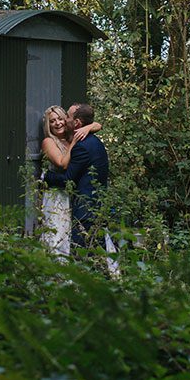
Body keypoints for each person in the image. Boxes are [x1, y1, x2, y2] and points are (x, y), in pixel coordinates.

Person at [38, 105, 99, 260]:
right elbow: (62, 163)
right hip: (56, 195)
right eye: (52, 121)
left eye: (60, 119)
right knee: (57, 232)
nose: (57, 123)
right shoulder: (49, 142)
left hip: (72, 194)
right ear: (48, 125)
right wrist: (74, 143)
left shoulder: (72, 137)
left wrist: (90, 127)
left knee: (72, 233)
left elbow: (98, 125)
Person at [64, 102, 117, 274]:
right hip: (96, 205)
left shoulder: (81, 146)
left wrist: (44, 176)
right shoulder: (95, 141)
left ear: (78, 123)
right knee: (97, 255)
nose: (64, 120)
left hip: (86, 209)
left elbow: (68, 178)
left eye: (68, 116)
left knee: (83, 257)